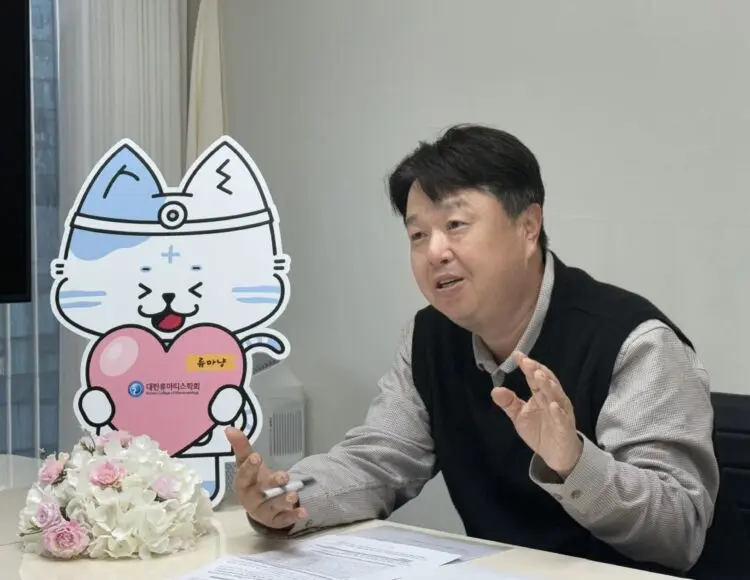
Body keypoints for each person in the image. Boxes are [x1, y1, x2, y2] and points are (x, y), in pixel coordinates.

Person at [225, 124, 732, 577]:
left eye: (456, 225)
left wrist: (574, 463)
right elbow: (378, 461)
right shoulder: (429, 338)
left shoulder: (634, 343)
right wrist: (285, 497)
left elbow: (679, 530)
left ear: (528, 227)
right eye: (417, 234)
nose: (434, 252)